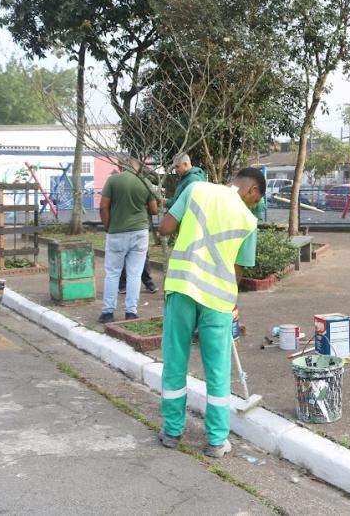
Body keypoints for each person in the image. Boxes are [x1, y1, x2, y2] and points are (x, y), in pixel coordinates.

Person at [157, 167, 264, 458]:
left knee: (175, 360)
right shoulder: (248, 220)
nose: (252, 205)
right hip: (218, 298)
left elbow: (165, 228)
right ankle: (216, 441)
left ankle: (172, 431)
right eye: (255, 200)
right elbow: (238, 270)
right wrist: (231, 301)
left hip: (182, 286)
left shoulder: (197, 190)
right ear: (252, 190)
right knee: (217, 371)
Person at [98, 160, 159, 324]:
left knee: (112, 273)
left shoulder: (113, 180)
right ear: (137, 168)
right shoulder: (145, 181)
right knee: (135, 274)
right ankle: (131, 312)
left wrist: (108, 227)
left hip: (117, 232)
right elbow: (154, 210)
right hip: (140, 232)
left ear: (119, 167)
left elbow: (103, 206)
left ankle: (108, 313)